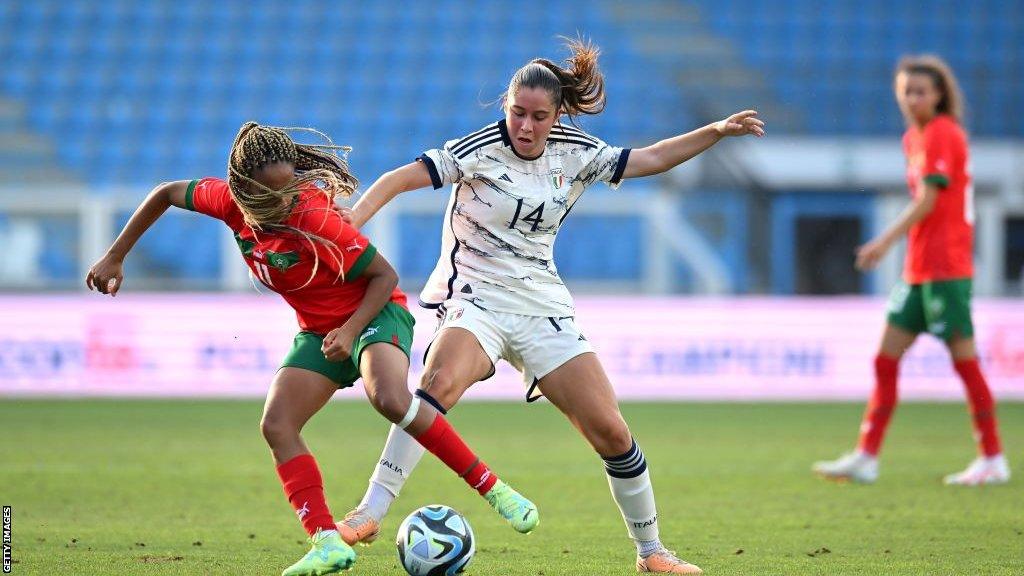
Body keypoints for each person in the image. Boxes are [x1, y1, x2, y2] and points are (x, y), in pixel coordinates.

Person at [335, 39, 764, 575]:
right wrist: (357, 214)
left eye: (539, 116)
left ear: (557, 114)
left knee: (612, 433)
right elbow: (401, 178)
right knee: (436, 385)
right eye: (517, 112)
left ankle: (652, 553)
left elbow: (651, 158)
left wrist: (716, 132)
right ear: (506, 107)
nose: (526, 126)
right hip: (477, 301)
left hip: (543, 307)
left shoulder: (576, 151)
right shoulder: (477, 150)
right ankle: (370, 511)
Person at [85, 122, 538, 576]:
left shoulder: (313, 216)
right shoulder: (227, 202)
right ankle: (326, 541)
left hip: (375, 315)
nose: (285, 201)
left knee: (391, 399)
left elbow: (385, 277)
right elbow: (165, 193)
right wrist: (115, 255)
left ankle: (493, 488)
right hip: (319, 332)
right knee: (277, 424)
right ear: (246, 190)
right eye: (273, 194)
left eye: (290, 189)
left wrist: (351, 331)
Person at [813, 56, 1010, 486]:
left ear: (939, 95)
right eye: (907, 91)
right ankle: (867, 456)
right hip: (919, 271)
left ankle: (993, 456)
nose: (913, 99)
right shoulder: (914, 137)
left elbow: (929, 201)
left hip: (947, 269)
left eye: (922, 91)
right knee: (885, 360)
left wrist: (883, 241)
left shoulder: (942, 132)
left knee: (965, 363)